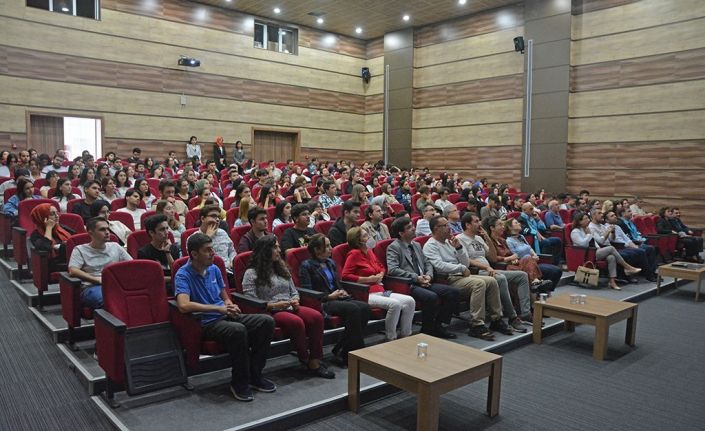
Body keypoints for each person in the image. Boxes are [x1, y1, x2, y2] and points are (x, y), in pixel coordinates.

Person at [175, 232, 275, 401]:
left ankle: (255, 375)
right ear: (194, 254)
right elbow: (183, 305)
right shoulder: (183, 274)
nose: (212, 253)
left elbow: (224, 295)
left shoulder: (214, 268)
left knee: (266, 321)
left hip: (224, 315)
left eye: (212, 249)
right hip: (207, 323)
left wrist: (229, 304)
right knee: (238, 330)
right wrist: (219, 308)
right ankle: (239, 382)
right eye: (207, 250)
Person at [243, 236, 334, 379]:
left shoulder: (281, 267)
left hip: (290, 305)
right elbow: (250, 299)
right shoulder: (251, 273)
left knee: (316, 317)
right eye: (275, 247)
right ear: (265, 250)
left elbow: (294, 290)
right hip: (270, 311)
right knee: (296, 322)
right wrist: (273, 305)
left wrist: (295, 299)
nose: (279, 250)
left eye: (279, 247)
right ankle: (306, 358)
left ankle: (315, 358)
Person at [423, 215, 509, 340]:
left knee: (491, 281)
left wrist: (459, 248)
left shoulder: (450, 242)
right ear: (436, 228)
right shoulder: (430, 245)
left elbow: (465, 262)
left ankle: (496, 319)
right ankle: (476, 325)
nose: (449, 228)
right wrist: (461, 268)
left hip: (461, 276)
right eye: (445, 226)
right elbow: (439, 266)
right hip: (447, 279)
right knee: (478, 284)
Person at [299, 234, 371, 366]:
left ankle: (341, 349)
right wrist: (329, 296)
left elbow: (337, 283)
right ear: (316, 249)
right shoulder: (307, 266)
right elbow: (307, 291)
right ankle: (355, 353)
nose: (331, 248)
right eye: (326, 246)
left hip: (337, 297)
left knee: (365, 308)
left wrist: (342, 291)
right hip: (323, 302)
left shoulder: (330, 262)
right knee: (354, 309)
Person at [386, 217, 459, 339]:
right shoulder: (394, 247)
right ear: (401, 233)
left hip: (425, 280)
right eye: (409, 227)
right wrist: (416, 277)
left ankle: (438, 325)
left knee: (453, 292)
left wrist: (429, 276)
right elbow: (392, 269)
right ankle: (427, 329)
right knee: (431, 297)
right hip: (409, 284)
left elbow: (427, 263)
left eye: (412, 225)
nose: (413, 228)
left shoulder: (417, 245)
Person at [457, 213, 531, 329]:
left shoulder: (479, 238)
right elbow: (466, 260)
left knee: (522, 276)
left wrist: (487, 238)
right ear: (468, 225)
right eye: (476, 221)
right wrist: (485, 267)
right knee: (500, 278)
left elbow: (492, 257)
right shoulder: (460, 239)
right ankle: (512, 317)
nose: (479, 224)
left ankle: (526, 313)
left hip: (490, 269)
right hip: (476, 272)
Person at [342, 227, 416, 341]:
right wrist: (367, 279)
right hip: (366, 293)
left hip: (381, 290)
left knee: (409, 301)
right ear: (358, 240)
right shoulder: (354, 254)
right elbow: (345, 276)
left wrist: (381, 274)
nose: (370, 237)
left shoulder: (370, 251)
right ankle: (391, 338)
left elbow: (381, 266)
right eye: (366, 235)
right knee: (395, 305)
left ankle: (406, 335)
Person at [68, 217, 132, 309]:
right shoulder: (80, 249)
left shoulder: (115, 246)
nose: (107, 232)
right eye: (102, 229)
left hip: (116, 284)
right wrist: (97, 279)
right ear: (91, 233)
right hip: (92, 286)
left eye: (107, 229)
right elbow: (73, 270)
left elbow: (132, 265)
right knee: (108, 300)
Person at [571, 211, 641, 290]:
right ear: (580, 222)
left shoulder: (587, 229)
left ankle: (612, 281)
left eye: (587, 218)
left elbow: (595, 242)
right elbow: (583, 244)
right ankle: (627, 267)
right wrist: (588, 234)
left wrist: (600, 247)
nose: (588, 220)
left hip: (595, 251)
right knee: (611, 248)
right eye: (586, 219)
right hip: (585, 254)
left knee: (611, 257)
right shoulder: (575, 232)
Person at [606, 210, 657, 282]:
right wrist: (631, 246)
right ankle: (649, 275)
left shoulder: (617, 226)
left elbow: (626, 238)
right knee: (641, 251)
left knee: (651, 248)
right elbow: (615, 240)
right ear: (607, 220)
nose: (615, 216)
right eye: (612, 216)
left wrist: (634, 245)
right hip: (620, 247)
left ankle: (651, 272)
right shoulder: (606, 228)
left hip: (629, 244)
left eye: (614, 215)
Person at [29, 203, 74, 273]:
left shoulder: (64, 228)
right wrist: (49, 228)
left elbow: (77, 241)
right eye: (52, 214)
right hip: (55, 265)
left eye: (57, 213)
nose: (57, 216)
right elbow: (45, 248)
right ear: (43, 217)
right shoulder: (36, 235)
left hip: (72, 260)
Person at [138, 214, 181, 283]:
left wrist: (167, 253)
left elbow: (177, 272)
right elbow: (151, 279)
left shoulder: (173, 248)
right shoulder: (144, 253)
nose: (166, 232)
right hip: (156, 288)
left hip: (175, 286)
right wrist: (173, 279)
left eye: (167, 228)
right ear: (151, 233)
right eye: (162, 229)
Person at [198, 205, 236, 271]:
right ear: (203, 219)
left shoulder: (222, 233)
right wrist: (207, 237)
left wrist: (232, 261)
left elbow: (232, 251)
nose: (217, 219)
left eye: (218, 217)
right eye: (213, 216)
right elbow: (197, 262)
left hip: (229, 271)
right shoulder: (193, 239)